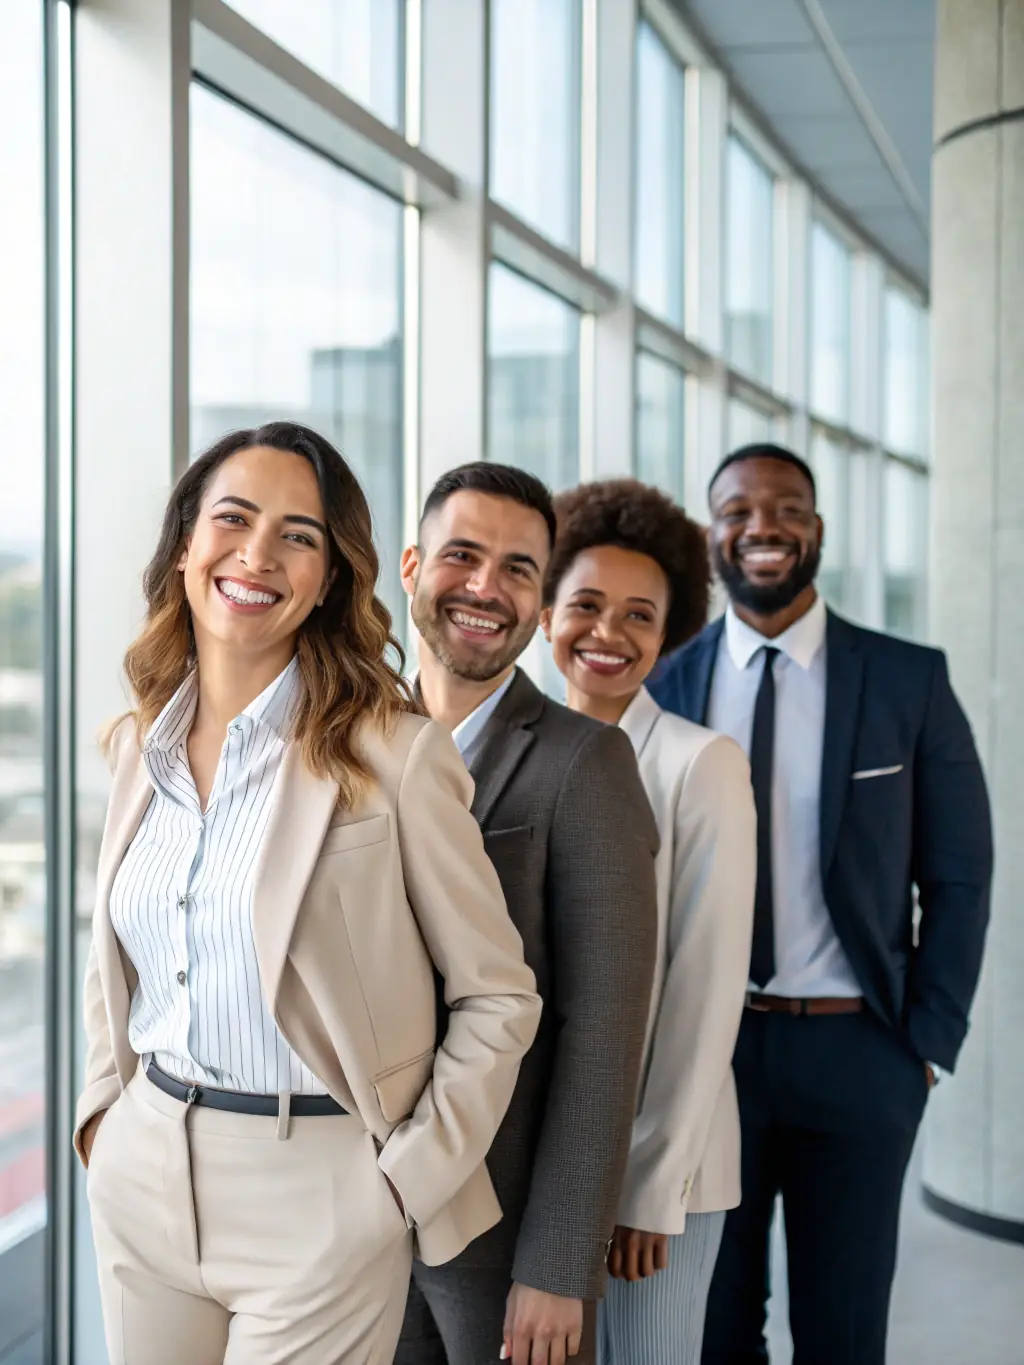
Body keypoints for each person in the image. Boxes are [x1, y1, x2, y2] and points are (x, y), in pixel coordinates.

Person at [74, 422, 542, 1365]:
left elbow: (499, 995)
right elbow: (118, 953)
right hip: (146, 1165)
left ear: (332, 575)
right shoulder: (137, 744)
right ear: (185, 545)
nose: (258, 553)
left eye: (299, 534)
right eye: (233, 519)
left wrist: (402, 1184)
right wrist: (103, 1117)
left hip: (323, 1189)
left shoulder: (396, 754)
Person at [648, 443, 993, 1365]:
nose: (762, 525)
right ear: (712, 531)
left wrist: (923, 1045)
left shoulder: (907, 679)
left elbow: (960, 875)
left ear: (817, 531)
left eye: (786, 508)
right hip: (709, 1056)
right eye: (738, 510)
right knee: (714, 1328)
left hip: (860, 1052)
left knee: (843, 1333)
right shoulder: (664, 683)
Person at [395, 463, 659, 1365]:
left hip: (502, 1243)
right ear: (409, 565)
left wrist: (559, 1264)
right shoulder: (350, 738)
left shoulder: (589, 763)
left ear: (540, 597)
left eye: (517, 568)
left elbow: (606, 1027)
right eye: (462, 555)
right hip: (347, 1225)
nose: (484, 587)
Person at [540, 479, 755, 1364]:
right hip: (546, 1157)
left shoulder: (699, 764)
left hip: (657, 1172)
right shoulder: (513, 752)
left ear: (670, 634)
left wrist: (650, 1187)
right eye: (585, 604)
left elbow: (706, 991)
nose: (607, 633)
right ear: (546, 609)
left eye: (639, 615)